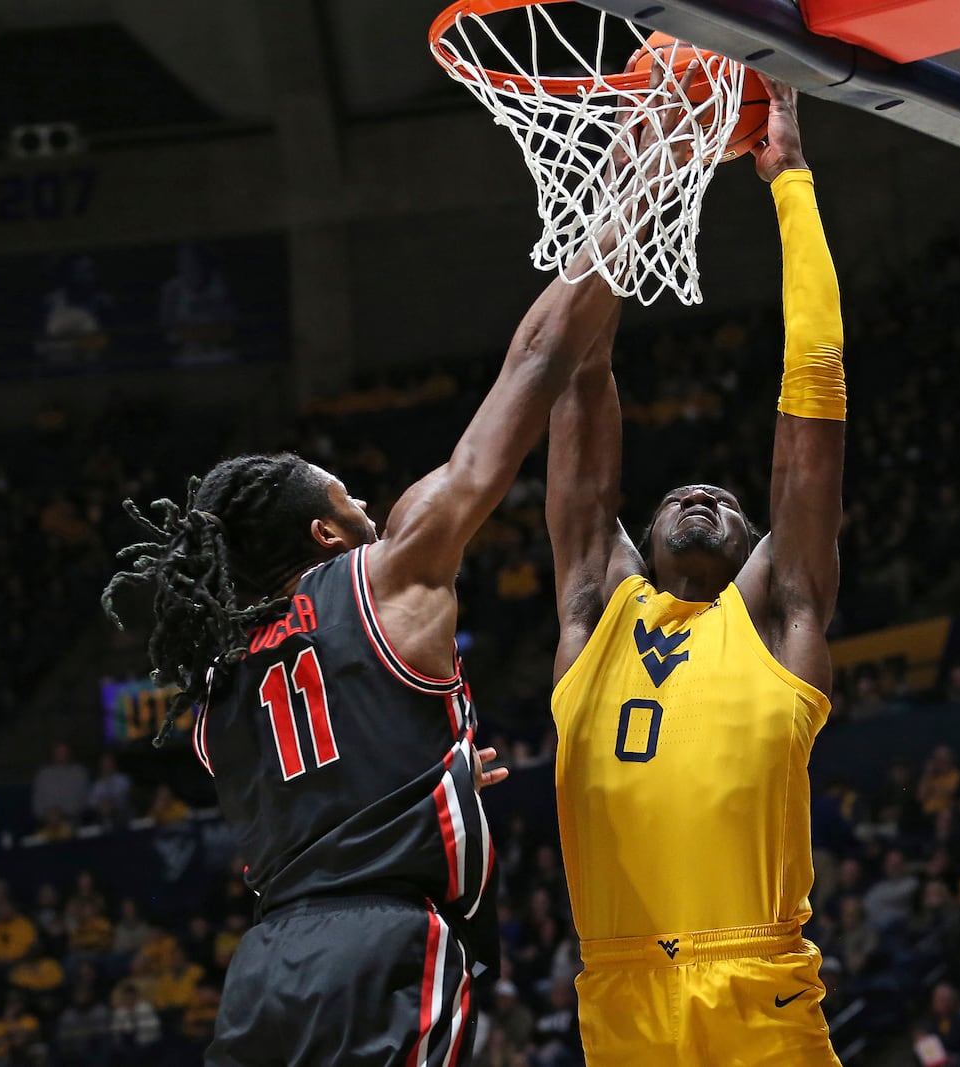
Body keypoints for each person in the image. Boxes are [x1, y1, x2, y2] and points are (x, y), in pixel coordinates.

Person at [101, 66, 698, 1067]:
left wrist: (429, 773)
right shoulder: (385, 572)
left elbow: (315, 765)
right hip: (379, 940)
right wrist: (648, 172)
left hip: (264, 968)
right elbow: (532, 367)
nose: (370, 507)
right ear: (327, 536)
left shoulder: (214, 688)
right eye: (348, 500)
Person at [545, 72, 847, 1064]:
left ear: (760, 547)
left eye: (726, 500)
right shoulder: (595, 601)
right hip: (620, 990)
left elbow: (812, 401)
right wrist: (631, 183)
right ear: (637, 528)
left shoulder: (776, 614)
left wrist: (791, 182)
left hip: (751, 976)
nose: (704, 497)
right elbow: (579, 373)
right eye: (681, 494)